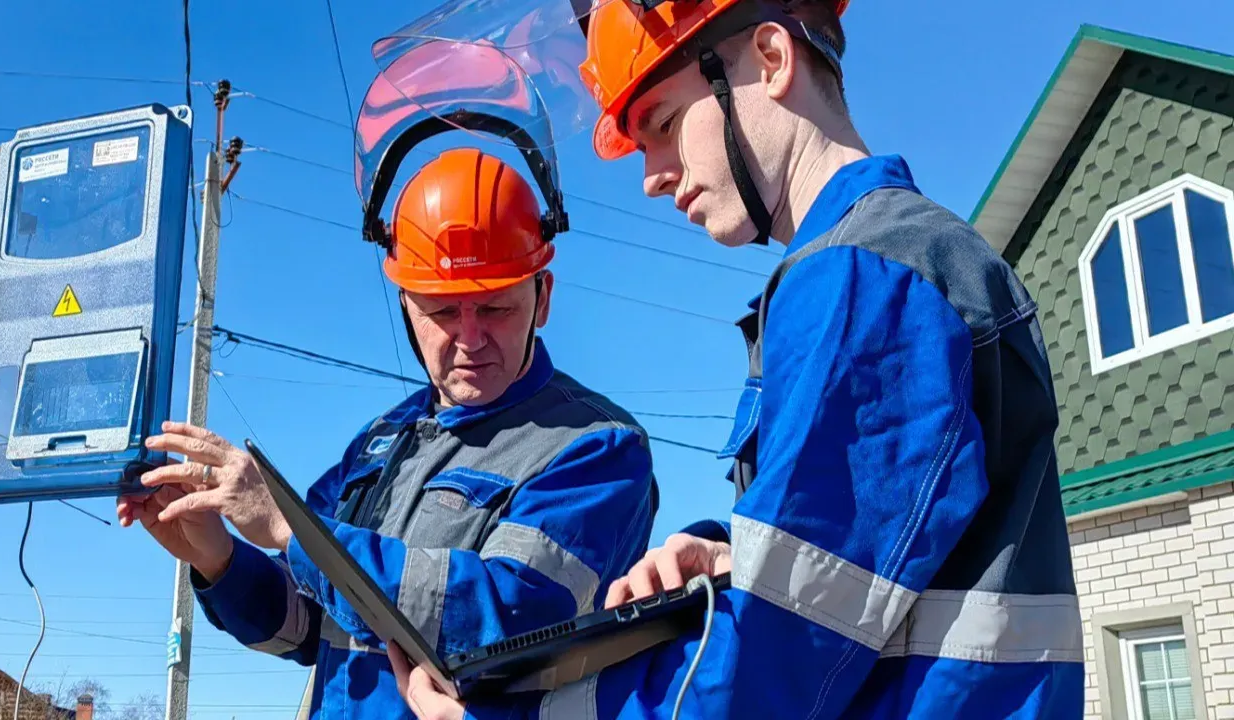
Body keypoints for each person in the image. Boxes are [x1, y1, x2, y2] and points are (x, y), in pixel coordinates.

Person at [389, 0, 1084, 717]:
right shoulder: (901, 260)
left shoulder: (862, 279)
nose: (652, 176)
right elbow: (887, 567)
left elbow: (769, 663)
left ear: (773, 59)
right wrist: (734, 557)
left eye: (661, 124)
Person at [117, 146, 660, 720]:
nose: (471, 339)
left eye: (496, 309)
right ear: (405, 305)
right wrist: (218, 557)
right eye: (443, 313)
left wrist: (289, 529)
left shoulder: (595, 447)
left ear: (542, 297)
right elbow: (305, 628)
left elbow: (511, 616)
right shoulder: (383, 441)